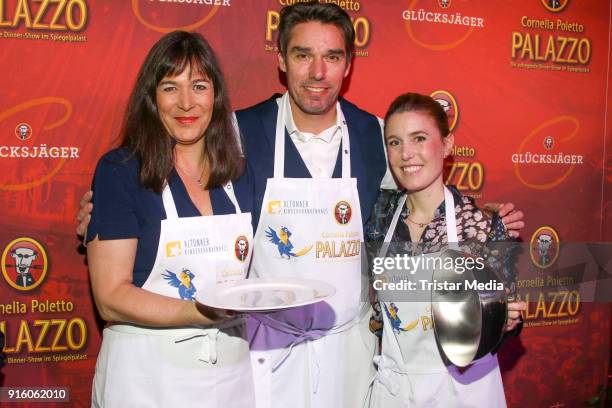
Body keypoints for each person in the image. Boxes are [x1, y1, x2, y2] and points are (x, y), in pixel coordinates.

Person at [76, 3, 525, 407]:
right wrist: (103, 216)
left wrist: (482, 217)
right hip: (263, 355)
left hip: (351, 352)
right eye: (302, 55)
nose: (317, 72)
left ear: (348, 65)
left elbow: (420, 190)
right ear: (280, 60)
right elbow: (166, 183)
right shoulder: (234, 133)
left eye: (331, 57)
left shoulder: (374, 136)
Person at [85, 31, 255, 407]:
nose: (186, 103)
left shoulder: (240, 176)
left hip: (230, 374)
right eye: (169, 87)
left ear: (216, 96)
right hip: (146, 377)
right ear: (152, 98)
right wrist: (196, 311)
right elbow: (110, 297)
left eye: (198, 86)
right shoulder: (122, 171)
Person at [365, 93, 526, 407]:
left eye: (419, 138)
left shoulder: (480, 226)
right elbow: (376, 316)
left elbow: (505, 320)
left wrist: (506, 321)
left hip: (462, 392)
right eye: (395, 142)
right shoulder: (379, 219)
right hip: (397, 391)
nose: (406, 154)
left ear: (448, 145)